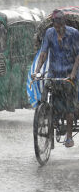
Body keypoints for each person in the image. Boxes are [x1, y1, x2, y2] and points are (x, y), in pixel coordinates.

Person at [33, 9, 79, 147]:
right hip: (54, 73)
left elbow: (78, 55)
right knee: (45, 93)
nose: (57, 27)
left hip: (70, 73)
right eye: (55, 24)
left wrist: (73, 72)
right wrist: (37, 71)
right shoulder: (49, 33)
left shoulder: (74, 34)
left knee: (69, 106)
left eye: (59, 24)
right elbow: (44, 53)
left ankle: (69, 137)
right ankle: (48, 116)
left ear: (64, 23)